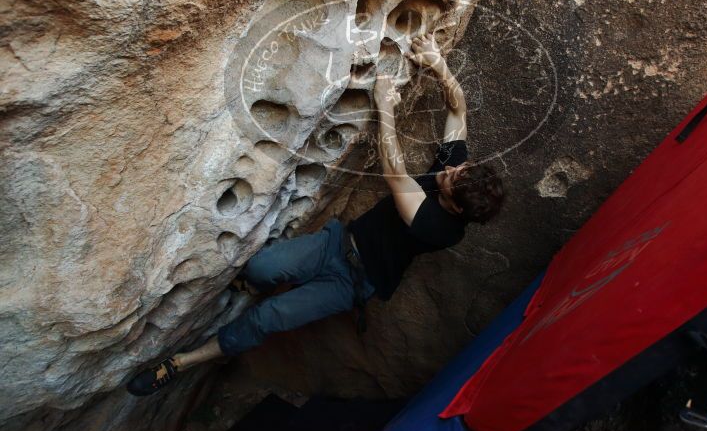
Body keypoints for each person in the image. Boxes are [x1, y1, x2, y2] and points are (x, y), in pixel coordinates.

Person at [127, 34, 505, 396]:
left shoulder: (440, 229)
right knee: (259, 268)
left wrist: (384, 104)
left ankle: (183, 362)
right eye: (458, 168)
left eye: (453, 180)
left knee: (268, 318)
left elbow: (395, 170)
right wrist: (439, 63)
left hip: (353, 282)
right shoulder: (457, 173)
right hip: (337, 242)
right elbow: (459, 107)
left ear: (455, 207)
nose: (450, 171)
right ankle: (258, 282)